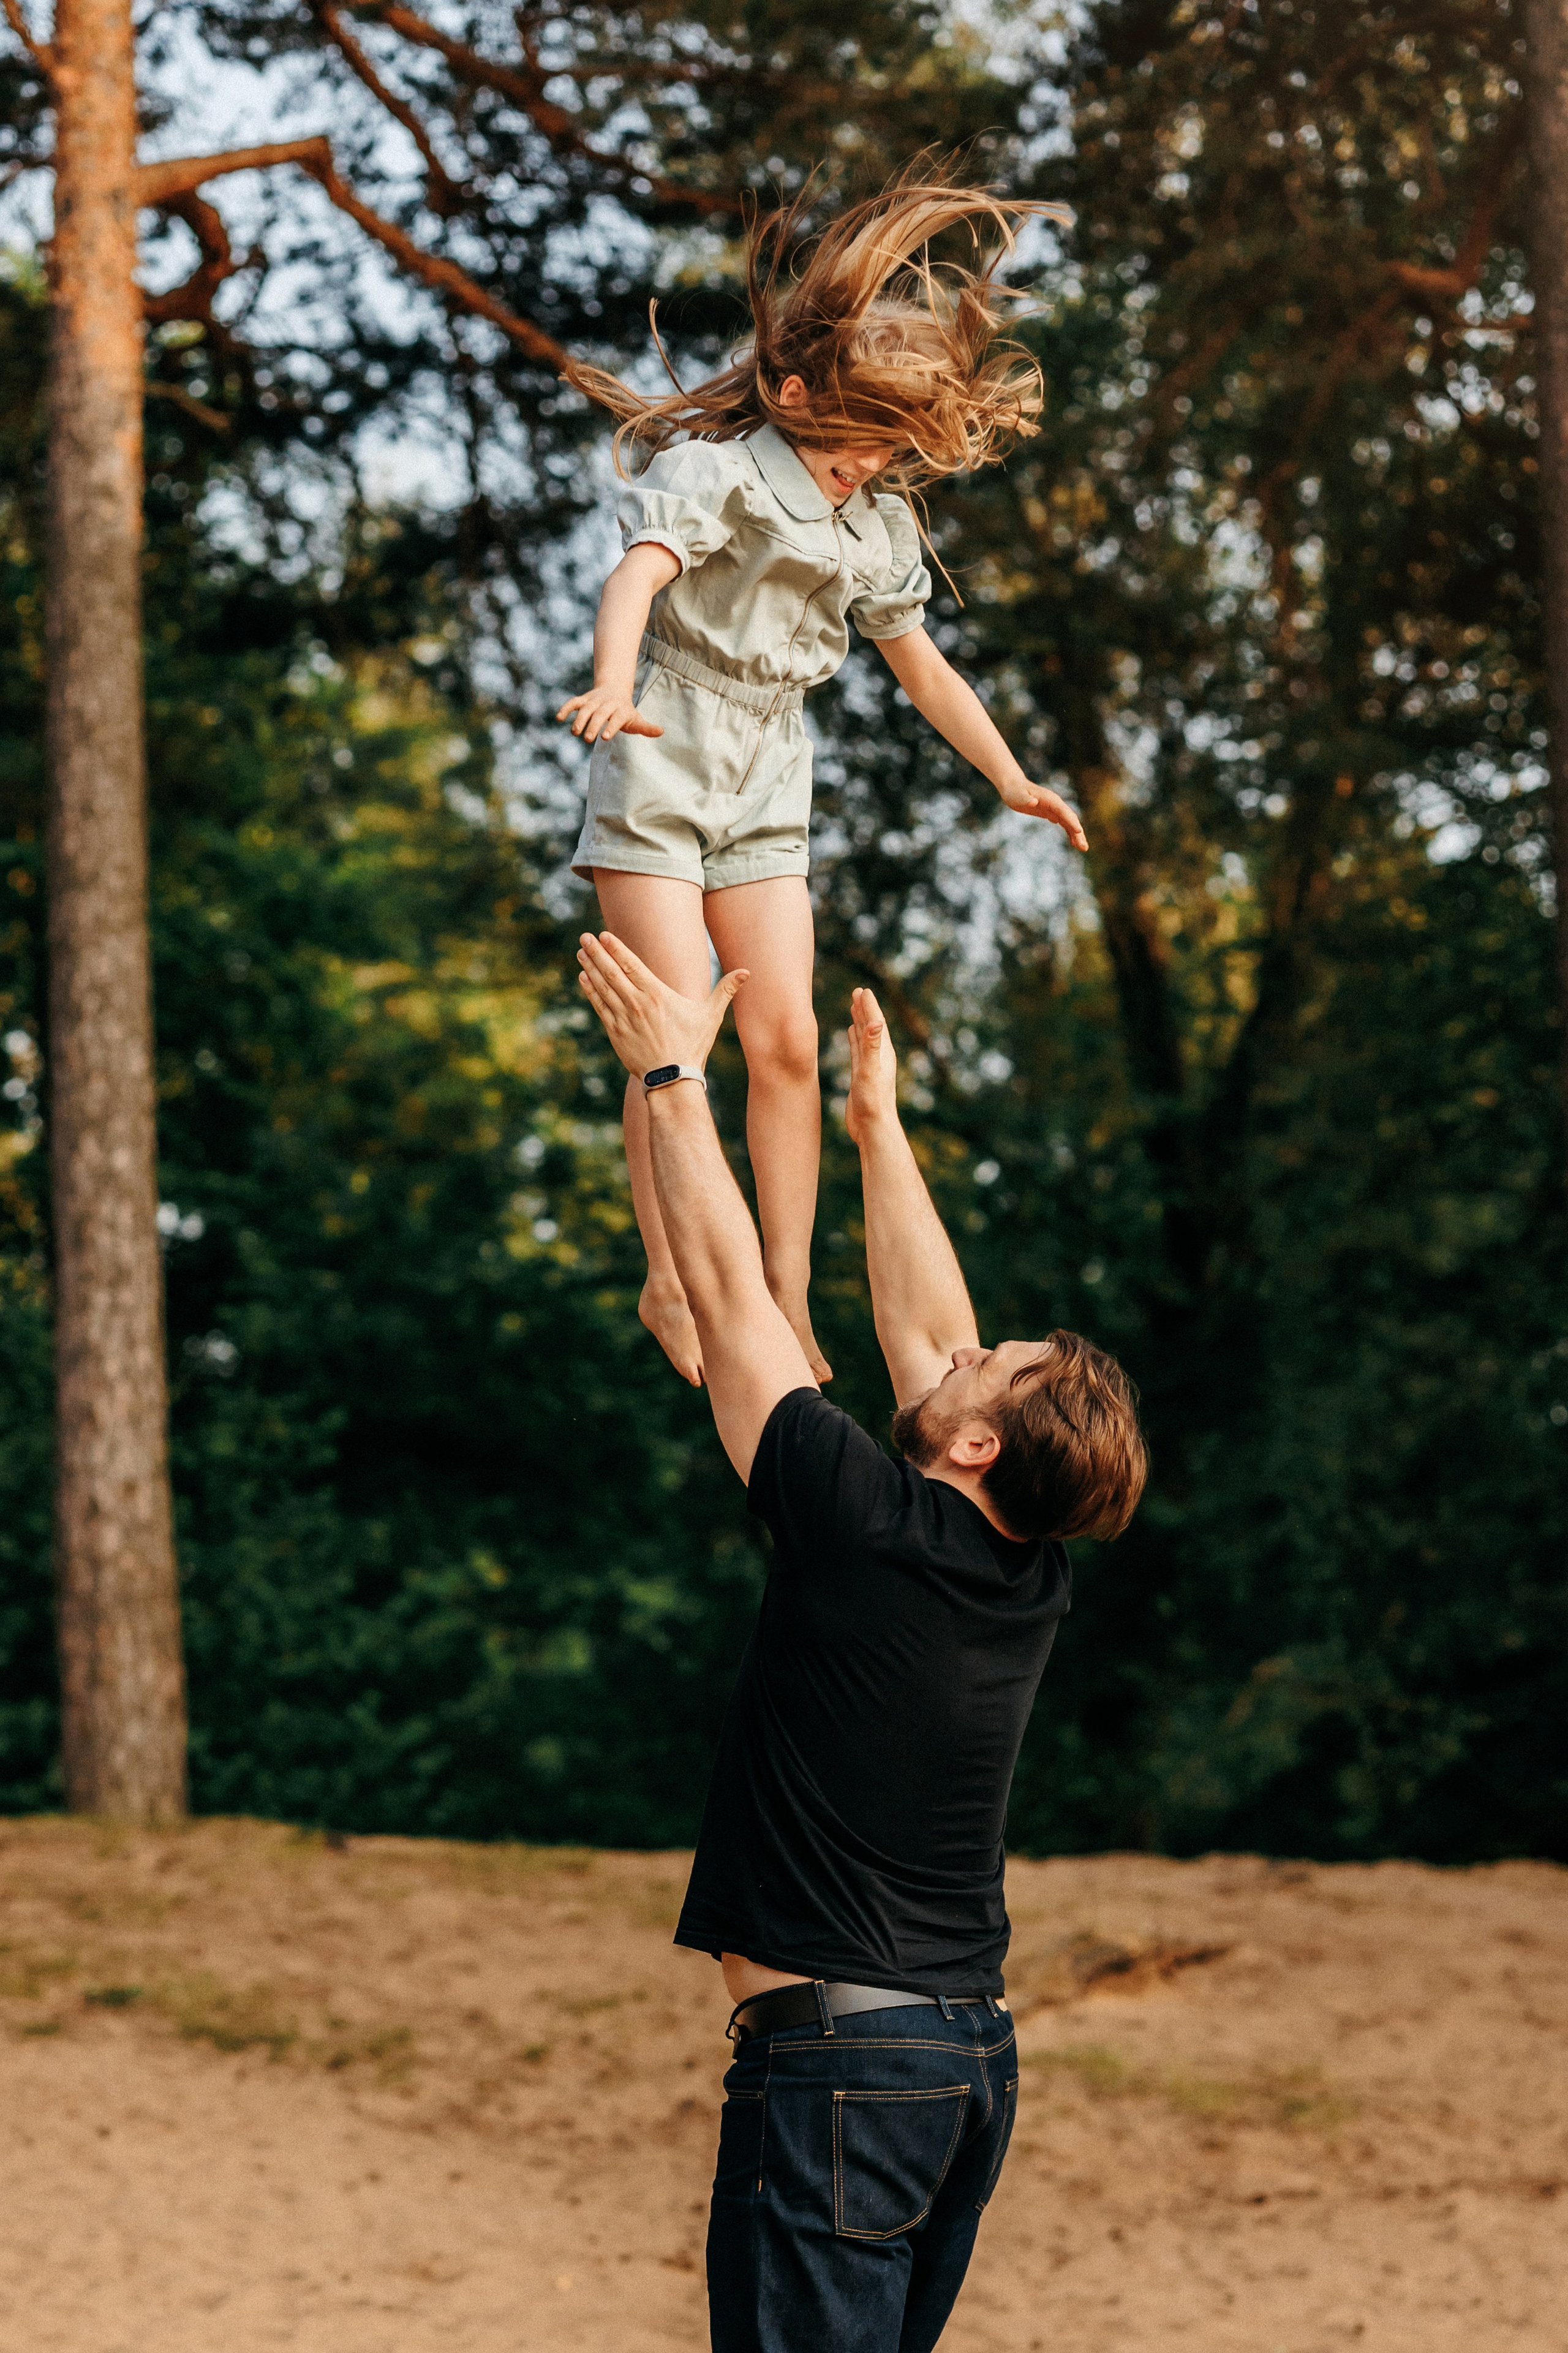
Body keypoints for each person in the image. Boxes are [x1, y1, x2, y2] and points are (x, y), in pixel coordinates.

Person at [574, 927, 1148, 2353]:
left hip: (843, 2064)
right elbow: (928, 1330)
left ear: (969, 1441)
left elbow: (731, 1300)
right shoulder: (1021, 1570)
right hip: (952, 2064)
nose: (962, 1344)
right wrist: (875, 1131)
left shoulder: (858, 1515)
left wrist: (666, 1076)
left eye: (985, 1368)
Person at [557, 168, 1085, 1391]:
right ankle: (674, 1272)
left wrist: (1009, 777)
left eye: (884, 452)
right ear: (791, 392)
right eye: (853, 444)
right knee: (673, 1028)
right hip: (661, 737)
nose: (863, 468)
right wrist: (609, 681)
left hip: (770, 764)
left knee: (785, 1038)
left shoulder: (877, 527)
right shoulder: (725, 473)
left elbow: (925, 671)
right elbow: (637, 575)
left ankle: (783, 1289)